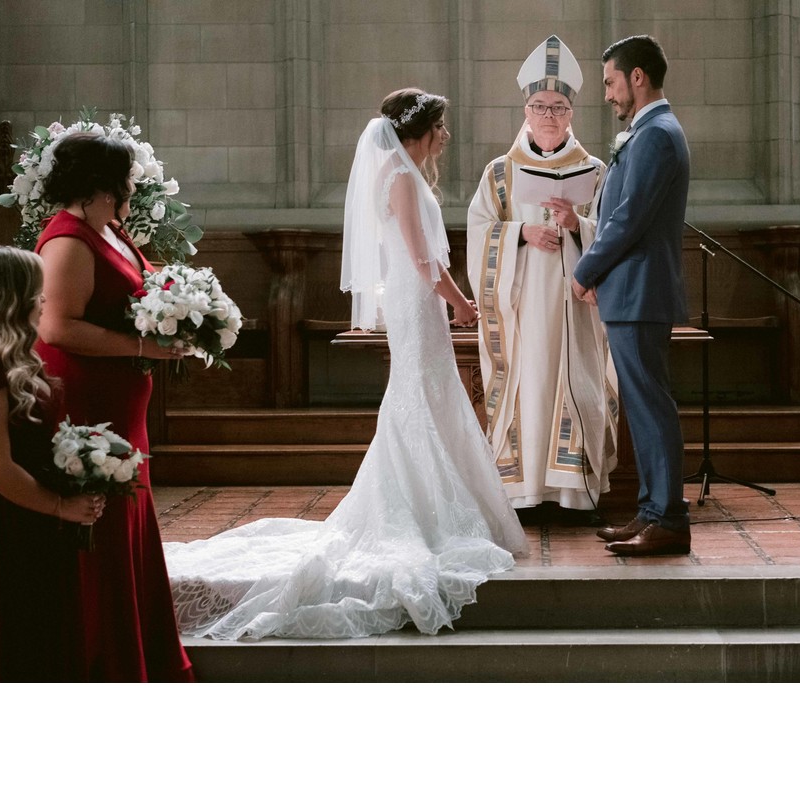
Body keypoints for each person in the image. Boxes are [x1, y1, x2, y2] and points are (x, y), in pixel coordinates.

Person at [163, 89, 528, 640]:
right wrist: (460, 302)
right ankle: (422, 508)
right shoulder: (402, 178)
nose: (447, 136)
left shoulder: (399, 172)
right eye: (442, 127)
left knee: (426, 397)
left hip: (419, 299)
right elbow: (421, 256)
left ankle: (436, 499)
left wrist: (449, 299)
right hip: (417, 298)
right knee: (421, 396)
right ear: (420, 131)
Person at [35, 132, 194, 682]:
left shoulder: (110, 228)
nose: (134, 187)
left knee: (126, 516)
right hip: (86, 401)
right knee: (101, 523)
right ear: (105, 186)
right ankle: (104, 659)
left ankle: (137, 647)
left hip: (122, 404)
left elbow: (141, 289)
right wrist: (145, 346)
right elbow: (56, 326)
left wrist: (190, 310)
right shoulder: (69, 241)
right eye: (127, 179)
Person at [467, 35, 618, 518]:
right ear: (525, 109)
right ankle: (525, 489)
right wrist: (520, 233)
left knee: (573, 380)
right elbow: (478, 230)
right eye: (539, 105)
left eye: (557, 106)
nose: (548, 115)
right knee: (528, 382)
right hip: (522, 303)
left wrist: (579, 226)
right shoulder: (499, 173)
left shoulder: (595, 170)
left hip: (577, 303)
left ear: (571, 113)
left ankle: (572, 489)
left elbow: (615, 231)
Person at [572, 35, 692, 557]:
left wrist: (586, 269)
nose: (607, 94)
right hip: (631, 290)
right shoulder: (644, 133)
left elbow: (628, 219)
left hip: (642, 291)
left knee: (650, 407)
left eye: (610, 81)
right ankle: (650, 511)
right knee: (643, 408)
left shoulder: (656, 135)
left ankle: (667, 517)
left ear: (636, 77)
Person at [0, 245, 104, 682]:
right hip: (6, 522)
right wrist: (60, 506)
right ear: (12, 298)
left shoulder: (14, 362)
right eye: (38, 290)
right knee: (19, 633)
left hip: (31, 515)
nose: (45, 300)